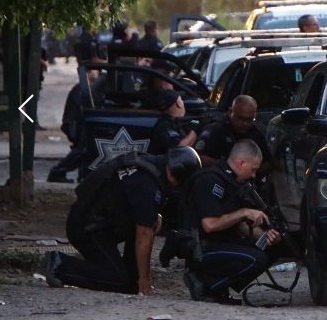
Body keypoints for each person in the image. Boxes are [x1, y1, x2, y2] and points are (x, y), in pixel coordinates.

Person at [42, 147, 202, 295]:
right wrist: (145, 279)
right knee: (117, 280)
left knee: (129, 284)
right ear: (176, 173)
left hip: (96, 223)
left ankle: (132, 278)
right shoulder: (146, 185)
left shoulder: (152, 165)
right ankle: (60, 264)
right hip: (86, 229)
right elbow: (143, 235)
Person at [182, 139, 283, 305]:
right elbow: (210, 225)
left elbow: (239, 225)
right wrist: (244, 212)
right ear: (241, 163)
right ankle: (203, 282)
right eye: (253, 170)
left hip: (222, 243)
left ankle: (218, 288)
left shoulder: (233, 183)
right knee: (257, 259)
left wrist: (267, 236)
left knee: (270, 249)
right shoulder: (210, 180)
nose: (254, 175)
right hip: (203, 248)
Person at [194, 95, 272, 174]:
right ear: (230, 112)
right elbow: (198, 157)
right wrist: (227, 167)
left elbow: (268, 162)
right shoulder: (215, 130)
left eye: (249, 120)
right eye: (240, 118)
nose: (244, 123)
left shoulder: (255, 133)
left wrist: (251, 170)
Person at [47, 69, 100, 183]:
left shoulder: (90, 88)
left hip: (78, 125)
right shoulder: (81, 89)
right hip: (74, 125)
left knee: (84, 151)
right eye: (94, 71)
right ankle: (57, 172)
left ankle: (81, 176)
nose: (96, 73)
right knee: (81, 151)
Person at [148, 90, 197, 155]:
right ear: (179, 103)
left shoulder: (167, 121)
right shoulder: (164, 126)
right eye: (181, 100)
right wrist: (194, 131)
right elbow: (179, 150)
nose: (183, 102)